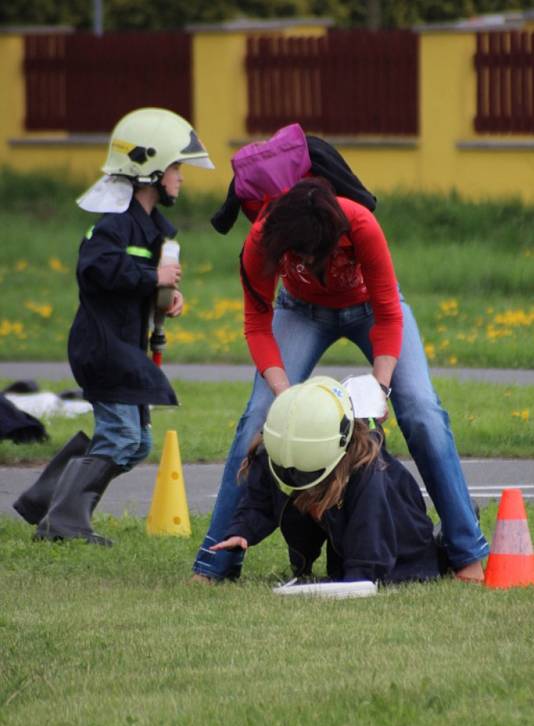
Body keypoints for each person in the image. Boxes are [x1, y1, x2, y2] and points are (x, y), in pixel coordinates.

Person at [193, 173, 488, 583]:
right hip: (299, 311)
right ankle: (216, 562)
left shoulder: (360, 223)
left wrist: (378, 389)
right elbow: (257, 326)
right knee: (259, 416)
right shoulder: (262, 239)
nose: (315, 265)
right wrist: (286, 397)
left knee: (422, 410)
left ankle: (466, 554)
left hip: (369, 308)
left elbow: (388, 312)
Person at [14, 107, 214, 545]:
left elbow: (133, 280)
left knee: (135, 443)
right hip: (103, 348)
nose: (181, 177)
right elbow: (95, 271)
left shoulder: (146, 228)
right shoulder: (114, 225)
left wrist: (164, 296)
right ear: (151, 168)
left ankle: (43, 501)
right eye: (177, 167)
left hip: (123, 346)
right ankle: (62, 523)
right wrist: (151, 279)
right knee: (122, 436)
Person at [210, 376, 443, 585]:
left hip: (404, 559)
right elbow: (260, 500)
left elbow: (369, 547)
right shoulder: (280, 447)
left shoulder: (366, 472)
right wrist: (242, 531)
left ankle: (447, 544)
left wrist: (352, 581)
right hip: (346, 551)